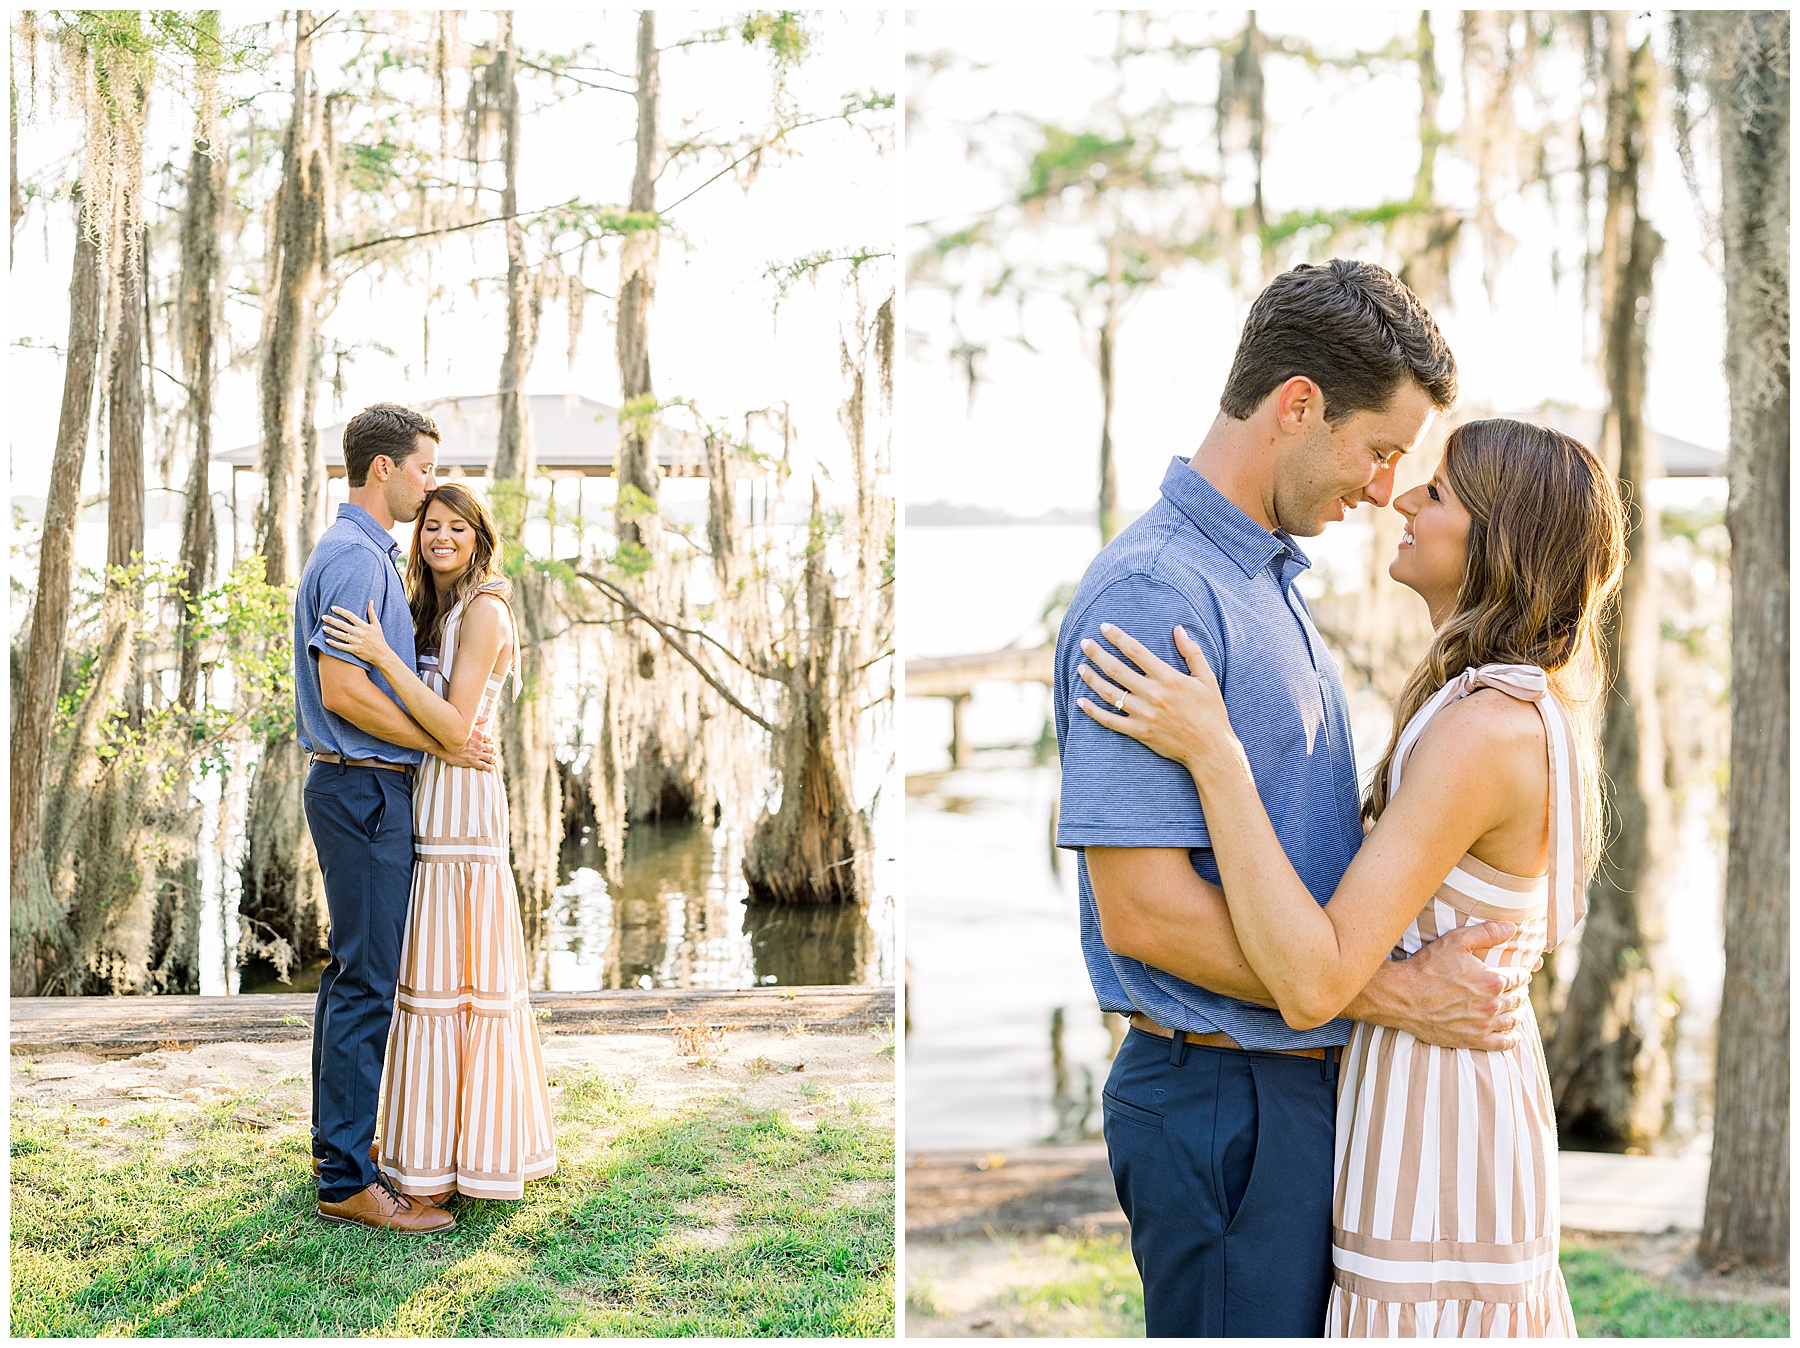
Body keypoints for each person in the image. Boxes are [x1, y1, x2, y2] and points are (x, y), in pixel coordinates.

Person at [1052, 261, 1532, 1337]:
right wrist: (1396, 997)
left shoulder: (1262, 577)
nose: (1384, 489)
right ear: (1299, 405)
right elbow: (1143, 914)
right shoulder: (1158, 594)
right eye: (1379, 450)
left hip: (1291, 1091)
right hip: (1225, 1101)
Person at [1075, 417, 1622, 1335]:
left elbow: (1315, 975)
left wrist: (1215, 755)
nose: (1399, 497)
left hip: (1440, 1112)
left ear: (1501, 541)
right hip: (1417, 1084)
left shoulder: (1485, 729)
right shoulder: (1488, 704)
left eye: (1436, 492)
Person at [321, 481, 557, 1205]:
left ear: (479, 536)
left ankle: (472, 1154)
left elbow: (456, 726)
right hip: (424, 795)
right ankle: (423, 1149)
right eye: (430, 526)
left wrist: (380, 655)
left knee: (463, 981)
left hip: (464, 805)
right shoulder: (431, 607)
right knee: (424, 978)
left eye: (457, 526)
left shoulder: (485, 610)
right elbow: (430, 726)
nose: (441, 538)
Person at [296, 402, 495, 1234]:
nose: (429, 483)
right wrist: (440, 740)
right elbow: (343, 690)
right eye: (423, 468)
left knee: (352, 974)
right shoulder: (355, 558)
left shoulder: (366, 554)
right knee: (368, 981)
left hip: (363, 789)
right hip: (364, 790)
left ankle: (338, 1153)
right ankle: (347, 1179)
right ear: (385, 469)